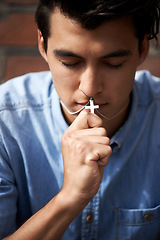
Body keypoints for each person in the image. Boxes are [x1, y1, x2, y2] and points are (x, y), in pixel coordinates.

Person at [0, 0, 160, 239]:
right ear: (43, 45)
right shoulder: (6, 121)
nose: (90, 88)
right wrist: (70, 197)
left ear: (142, 49)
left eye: (113, 64)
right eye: (70, 63)